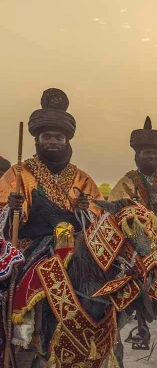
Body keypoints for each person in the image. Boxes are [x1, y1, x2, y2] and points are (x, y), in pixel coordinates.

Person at [0, 89, 102, 250]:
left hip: (76, 247)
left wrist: (83, 211)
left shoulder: (83, 179)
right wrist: (12, 208)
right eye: (46, 137)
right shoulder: (18, 173)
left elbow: (100, 217)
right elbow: (3, 209)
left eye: (59, 137)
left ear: (66, 141)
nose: (53, 141)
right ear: (37, 140)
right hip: (32, 245)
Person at [109, 117, 157, 238]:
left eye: (154, 153)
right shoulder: (128, 181)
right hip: (140, 232)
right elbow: (115, 206)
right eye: (147, 153)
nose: (152, 156)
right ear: (137, 157)